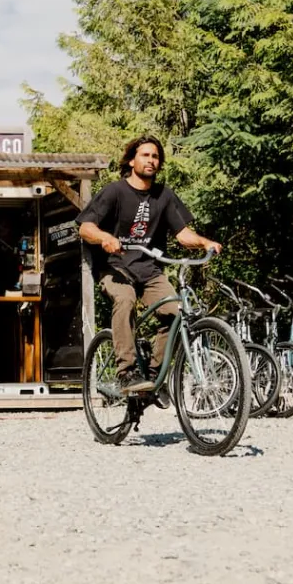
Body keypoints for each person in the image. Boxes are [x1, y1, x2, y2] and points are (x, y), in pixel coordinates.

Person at [76, 135, 221, 393]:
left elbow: (182, 233)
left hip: (150, 271)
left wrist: (204, 242)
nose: (151, 160)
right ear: (132, 160)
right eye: (145, 155)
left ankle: (155, 374)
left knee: (177, 313)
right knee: (125, 300)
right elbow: (86, 228)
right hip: (115, 268)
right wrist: (105, 237)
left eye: (155, 156)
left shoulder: (164, 196)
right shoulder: (115, 191)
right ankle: (126, 372)